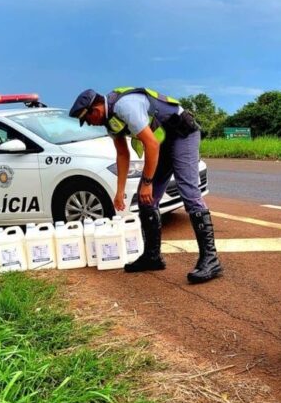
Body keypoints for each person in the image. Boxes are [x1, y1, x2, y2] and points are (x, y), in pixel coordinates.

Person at [69, 87, 223, 283]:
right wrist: (120, 191)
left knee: (188, 192)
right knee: (146, 201)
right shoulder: (110, 122)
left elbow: (151, 144)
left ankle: (211, 259)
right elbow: (122, 154)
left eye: (87, 119)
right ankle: (152, 257)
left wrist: (148, 183)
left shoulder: (125, 106)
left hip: (182, 134)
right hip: (163, 142)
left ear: (95, 110)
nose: (90, 123)